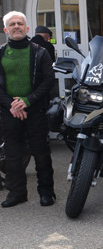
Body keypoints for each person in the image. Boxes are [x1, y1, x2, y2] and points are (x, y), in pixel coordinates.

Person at [0, 11, 56, 207]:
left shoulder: (40, 52)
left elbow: (49, 80)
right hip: (10, 111)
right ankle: (17, 193)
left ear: (27, 28)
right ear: (5, 30)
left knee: (41, 153)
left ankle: (46, 192)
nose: (16, 26)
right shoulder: (1, 52)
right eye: (12, 24)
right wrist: (12, 105)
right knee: (13, 155)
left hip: (35, 110)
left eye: (20, 23)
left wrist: (28, 101)